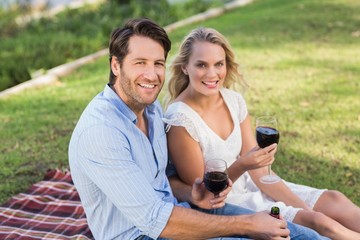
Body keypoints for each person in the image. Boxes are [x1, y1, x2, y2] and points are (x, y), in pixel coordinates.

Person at [68, 18, 328, 240]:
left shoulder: (152, 109)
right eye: (140, 63)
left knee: (297, 233)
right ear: (116, 65)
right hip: (144, 233)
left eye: (158, 63)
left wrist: (193, 194)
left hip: (180, 211)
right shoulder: (101, 131)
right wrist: (248, 225)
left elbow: (165, 180)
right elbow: (154, 220)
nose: (152, 74)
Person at [163, 26, 360, 240]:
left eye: (219, 64)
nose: (212, 74)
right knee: (320, 223)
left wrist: (304, 207)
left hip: (253, 184)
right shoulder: (180, 119)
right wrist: (243, 165)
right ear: (184, 67)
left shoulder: (232, 100)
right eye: (201, 65)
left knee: (334, 200)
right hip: (230, 204)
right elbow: (207, 195)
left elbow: (260, 173)